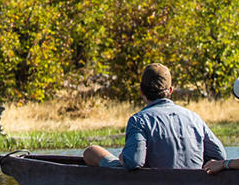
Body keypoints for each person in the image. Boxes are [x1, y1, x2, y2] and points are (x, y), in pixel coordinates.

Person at [83, 63, 226, 170]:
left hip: (153, 184)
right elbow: (219, 156)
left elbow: (133, 163)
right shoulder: (194, 118)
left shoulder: (139, 121)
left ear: (141, 91)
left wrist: (122, 158)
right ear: (170, 90)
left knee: (91, 151)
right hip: (194, 184)